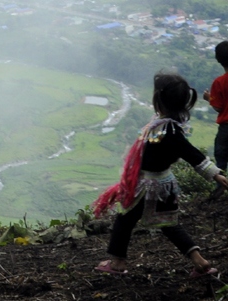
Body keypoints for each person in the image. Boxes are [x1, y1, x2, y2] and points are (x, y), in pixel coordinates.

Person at [94, 72, 228, 276]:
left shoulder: (169, 130)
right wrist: (215, 174)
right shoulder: (165, 125)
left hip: (147, 186)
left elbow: (193, 155)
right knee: (169, 224)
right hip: (163, 185)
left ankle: (118, 263)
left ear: (159, 99)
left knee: (124, 220)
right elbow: (192, 154)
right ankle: (199, 262)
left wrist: (215, 174)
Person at [202, 41, 228, 171]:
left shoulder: (219, 82)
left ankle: (221, 188)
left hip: (226, 129)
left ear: (218, 60)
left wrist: (209, 98)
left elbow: (218, 107)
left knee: (221, 161)